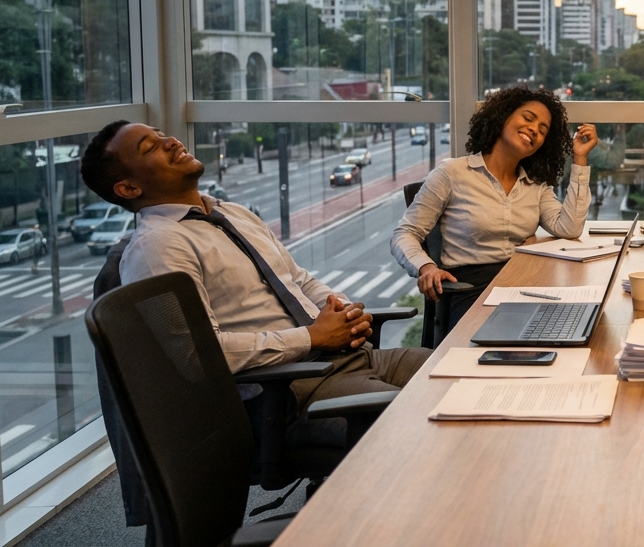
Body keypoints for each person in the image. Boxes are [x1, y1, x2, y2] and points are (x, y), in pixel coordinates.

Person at [78, 120, 430, 411]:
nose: (170, 141)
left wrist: (342, 311)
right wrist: (311, 337)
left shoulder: (234, 213)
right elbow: (195, 354)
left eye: (160, 134)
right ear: (127, 188)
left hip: (347, 360)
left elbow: (297, 279)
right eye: (149, 147)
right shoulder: (156, 247)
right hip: (288, 390)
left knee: (459, 377)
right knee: (423, 418)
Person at [391, 86, 598, 331]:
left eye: (543, 130)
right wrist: (426, 267)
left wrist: (580, 159)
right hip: (470, 291)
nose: (534, 129)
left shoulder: (536, 184)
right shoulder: (452, 174)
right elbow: (404, 233)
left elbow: (569, 228)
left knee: (577, 327)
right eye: (528, 118)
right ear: (503, 116)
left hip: (525, 284)